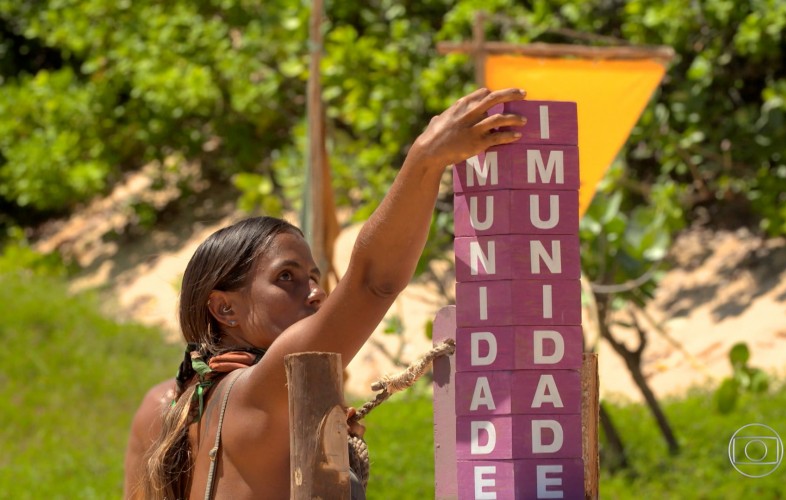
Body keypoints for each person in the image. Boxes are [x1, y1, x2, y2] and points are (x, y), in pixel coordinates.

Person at [135, 87, 527, 499]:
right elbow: (373, 282)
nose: (316, 293)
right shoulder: (258, 390)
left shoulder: (183, 406)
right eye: (286, 277)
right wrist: (426, 159)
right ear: (224, 308)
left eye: (313, 276)